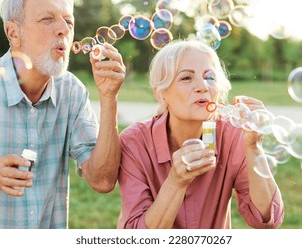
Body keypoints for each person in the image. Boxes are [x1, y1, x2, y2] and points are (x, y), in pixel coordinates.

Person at [0, 0, 125, 228]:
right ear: (13, 33)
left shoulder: (72, 91)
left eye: (69, 21)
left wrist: (109, 97)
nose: (64, 30)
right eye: (47, 19)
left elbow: (102, 181)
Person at [117, 39, 284, 229]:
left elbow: (267, 220)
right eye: (186, 78)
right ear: (161, 94)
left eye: (210, 77)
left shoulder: (234, 134)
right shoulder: (135, 143)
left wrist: (254, 146)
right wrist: (176, 181)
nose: (203, 86)